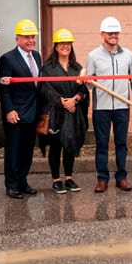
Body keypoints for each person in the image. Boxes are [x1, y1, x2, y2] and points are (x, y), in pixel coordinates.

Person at [86, 16, 132, 193]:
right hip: (101, 108)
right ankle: (102, 179)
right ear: (102, 34)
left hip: (122, 106)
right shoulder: (93, 56)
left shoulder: (128, 55)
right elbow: (90, 85)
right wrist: (87, 81)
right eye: (110, 33)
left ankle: (121, 177)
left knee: (121, 143)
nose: (114, 35)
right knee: (102, 144)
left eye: (116, 33)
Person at [39, 29, 90, 194]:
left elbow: (84, 89)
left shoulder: (77, 68)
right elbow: (44, 89)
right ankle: (56, 180)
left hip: (73, 112)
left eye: (68, 44)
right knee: (55, 147)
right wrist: (61, 101)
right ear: (56, 46)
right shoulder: (47, 68)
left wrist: (75, 99)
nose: (65, 47)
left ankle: (68, 178)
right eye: (62, 44)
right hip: (56, 113)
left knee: (70, 146)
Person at [0, 18, 41, 199]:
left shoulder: (37, 56)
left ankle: (22, 181)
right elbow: (3, 87)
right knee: (13, 151)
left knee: (27, 151)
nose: (31, 40)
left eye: (33, 37)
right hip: (16, 114)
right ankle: (11, 185)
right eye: (26, 37)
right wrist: (9, 110)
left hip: (33, 113)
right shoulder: (7, 59)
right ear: (17, 39)